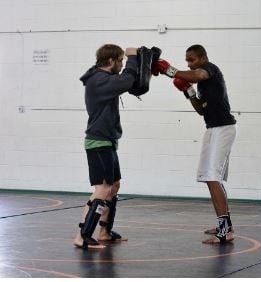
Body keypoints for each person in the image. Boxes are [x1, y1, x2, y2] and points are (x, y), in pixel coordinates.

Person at [153, 45, 237, 244]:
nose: (189, 64)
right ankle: (226, 225)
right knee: (209, 178)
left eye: (192, 60)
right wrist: (188, 91)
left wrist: (169, 70)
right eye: (187, 61)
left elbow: (198, 75)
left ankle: (225, 231)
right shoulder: (200, 83)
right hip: (212, 128)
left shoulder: (210, 69)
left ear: (203, 57)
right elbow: (201, 109)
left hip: (223, 129)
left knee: (213, 177)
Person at [74, 44, 138, 249]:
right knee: (102, 188)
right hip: (98, 142)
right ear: (111, 61)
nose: (121, 64)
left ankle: (104, 232)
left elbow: (127, 81)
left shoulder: (101, 78)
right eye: (120, 60)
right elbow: (128, 80)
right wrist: (133, 58)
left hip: (108, 141)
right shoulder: (99, 80)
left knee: (114, 185)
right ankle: (82, 236)